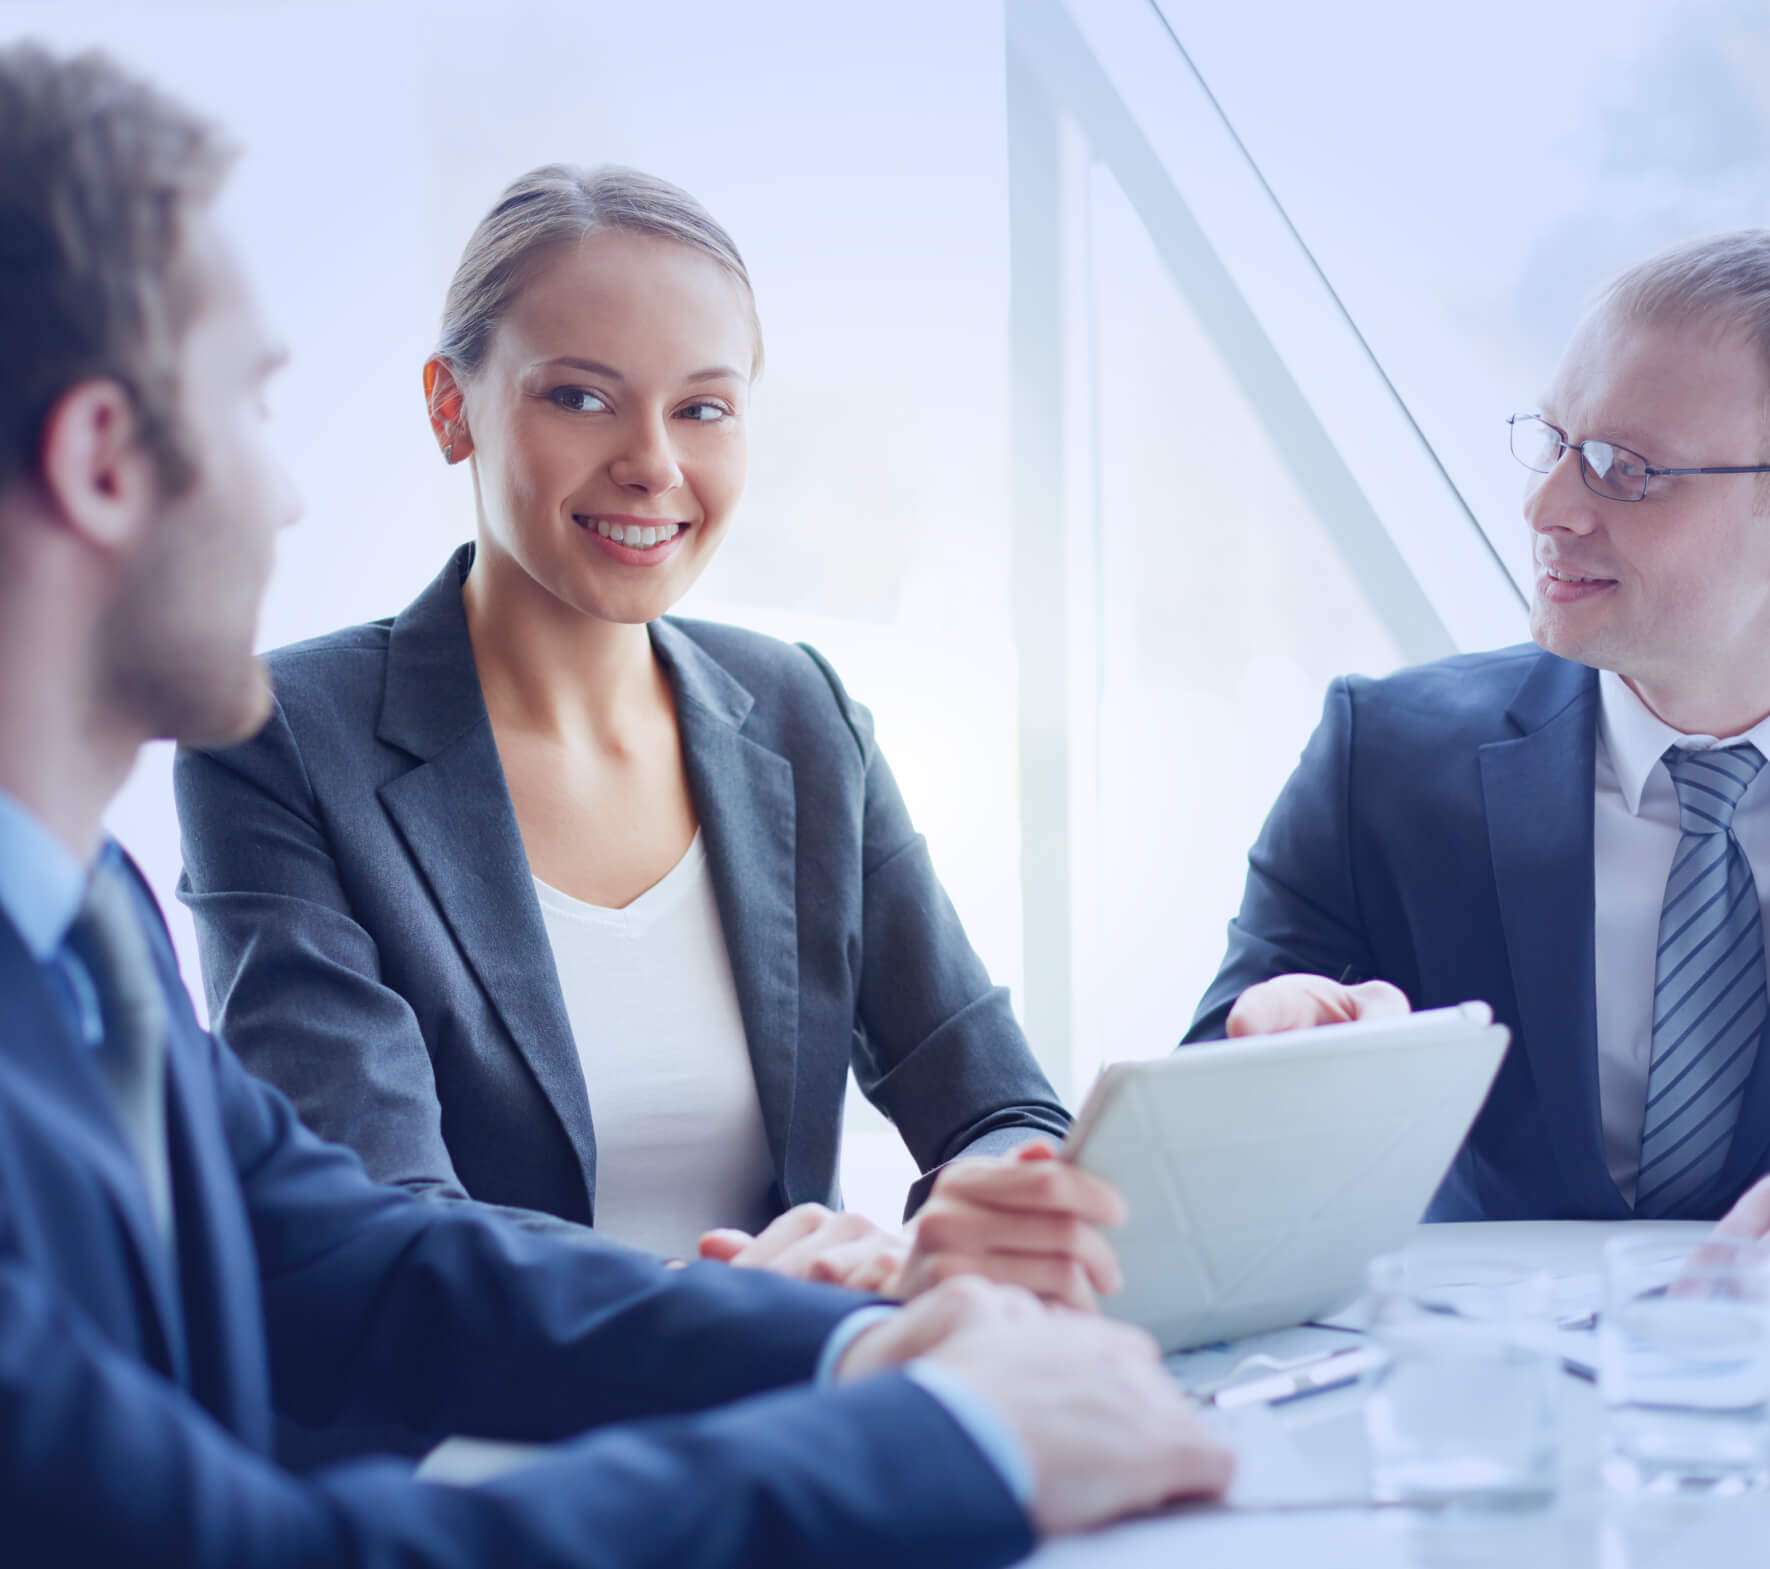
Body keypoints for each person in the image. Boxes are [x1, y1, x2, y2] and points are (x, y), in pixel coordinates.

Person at [0, 40, 1239, 1566]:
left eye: (705, 407)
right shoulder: (272, 757)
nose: (292, 494)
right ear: (103, 460)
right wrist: (930, 1442)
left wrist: (853, 1346)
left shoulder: (80, 926)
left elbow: (352, 1258)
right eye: (253, 407)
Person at [172, 160, 1122, 1304]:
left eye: (702, 408)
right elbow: (384, 1227)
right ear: (448, 406)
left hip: (798, 1406)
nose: (653, 464)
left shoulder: (800, 714)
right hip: (475, 1453)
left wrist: (977, 1220)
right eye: (579, 396)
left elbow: (996, 1102)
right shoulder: (278, 739)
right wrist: (736, 1304)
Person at [1185, 229, 1770, 1225]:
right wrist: (1267, 1066)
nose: (1547, 506)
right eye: (1553, 443)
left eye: (1625, 470)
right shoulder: (1386, 757)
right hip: (1466, 1364)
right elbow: (1191, 1149)